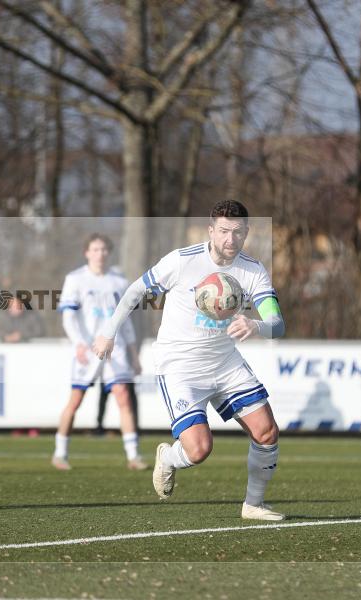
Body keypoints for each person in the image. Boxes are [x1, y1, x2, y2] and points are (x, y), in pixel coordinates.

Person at [92, 200, 286, 520]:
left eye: (238, 232)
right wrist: (108, 332)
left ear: (247, 232)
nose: (230, 239)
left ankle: (253, 505)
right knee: (199, 449)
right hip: (180, 366)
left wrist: (256, 325)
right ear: (211, 230)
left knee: (267, 431)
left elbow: (277, 325)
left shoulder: (253, 271)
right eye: (223, 231)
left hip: (225, 362)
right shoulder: (183, 261)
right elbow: (135, 291)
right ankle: (168, 457)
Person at [53, 233, 147, 471]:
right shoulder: (75, 279)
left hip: (116, 349)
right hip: (88, 349)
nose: (100, 254)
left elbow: (125, 321)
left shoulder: (119, 281)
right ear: (87, 253)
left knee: (123, 397)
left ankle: (133, 456)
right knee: (75, 400)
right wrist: (79, 344)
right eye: (95, 249)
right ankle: (60, 453)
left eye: (104, 249)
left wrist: (133, 353)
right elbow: (68, 318)